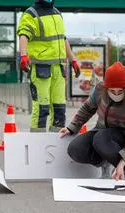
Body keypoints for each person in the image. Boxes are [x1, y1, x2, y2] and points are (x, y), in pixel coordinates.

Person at [59, 62, 125, 181]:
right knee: (76, 149)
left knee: (101, 139)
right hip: (102, 130)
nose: (116, 95)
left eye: (120, 91)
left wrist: (122, 163)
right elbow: (88, 108)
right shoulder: (100, 89)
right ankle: (105, 162)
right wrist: (72, 127)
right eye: (112, 91)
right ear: (107, 87)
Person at [17, 0, 80, 132]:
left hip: (58, 68)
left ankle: (55, 143)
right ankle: (37, 143)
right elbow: (24, 35)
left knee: (59, 109)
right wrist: (23, 55)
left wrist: (73, 59)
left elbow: (62, 39)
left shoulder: (57, 13)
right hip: (41, 68)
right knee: (41, 109)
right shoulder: (30, 14)